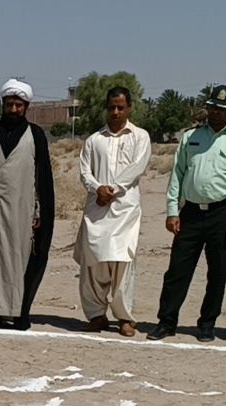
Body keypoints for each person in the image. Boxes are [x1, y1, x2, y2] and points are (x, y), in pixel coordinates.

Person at [149, 84, 226, 342]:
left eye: (221, 109)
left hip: (223, 213)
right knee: (177, 270)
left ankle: (207, 323)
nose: (215, 113)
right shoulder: (191, 137)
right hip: (192, 214)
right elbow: (177, 175)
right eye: (212, 107)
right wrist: (172, 211)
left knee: (217, 273)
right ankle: (166, 321)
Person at [0, 79, 56, 330]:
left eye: (18, 105)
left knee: (18, 260)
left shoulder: (35, 135)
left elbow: (40, 178)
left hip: (21, 209)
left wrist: (38, 211)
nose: (13, 109)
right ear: (2, 104)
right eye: (9, 104)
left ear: (26, 106)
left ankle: (17, 312)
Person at [75, 86, 151, 337]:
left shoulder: (140, 136)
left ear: (129, 108)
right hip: (97, 210)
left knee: (123, 263)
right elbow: (85, 171)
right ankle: (96, 315)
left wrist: (113, 189)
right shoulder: (94, 140)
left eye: (121, 107)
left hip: (125, 211)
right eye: (111, 107)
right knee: (94, 263)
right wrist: (98, 189)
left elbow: (137, 167)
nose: (116, 112)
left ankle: (124, 318)